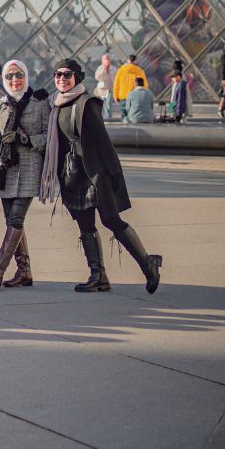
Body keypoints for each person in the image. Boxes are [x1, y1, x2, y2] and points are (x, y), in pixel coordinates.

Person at [40, 58, 163, 294]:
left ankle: (149, 265)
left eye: (67, 75)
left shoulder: (87, 103)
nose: (61, 79)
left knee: (111, 221)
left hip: (94, 175)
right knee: (86, 226)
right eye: (57, 75)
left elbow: (104, 143)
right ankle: (98, 276)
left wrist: (115, 174)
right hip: (73, 176)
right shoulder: (54, 105)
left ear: (77, 77)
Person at [0, 60, 49, 291]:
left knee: (15, 220)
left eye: (19, 75)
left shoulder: (40, 103)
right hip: (6, 170)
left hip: (30, 169)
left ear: (26, 75)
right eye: (9, 76)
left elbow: (49, 138)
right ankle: (24, 270)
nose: (14, 80)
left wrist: (26, 140)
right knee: (12, 222)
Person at [113, 54, 146, 121]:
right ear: (135, 61)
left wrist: (115, 96)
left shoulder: (121, 70)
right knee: (133, 115)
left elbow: (116, 84)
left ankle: (124, 129)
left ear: (128, 60)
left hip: (123, 96)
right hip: (135, 96)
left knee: (124, 115)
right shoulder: (139, 70)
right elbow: (144, 84)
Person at [94, 53, 115, 121]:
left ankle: (108, 116)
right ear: (102, 60)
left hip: (110, 88)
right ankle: (104, 116)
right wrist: (104, 70)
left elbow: (116, 78)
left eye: (108, 59)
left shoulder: (113, 68)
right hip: (102, 89)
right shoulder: (100, 68)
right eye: (105, 59)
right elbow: (97, 77)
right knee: (103, 103)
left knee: (109, 103)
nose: (107, 60)